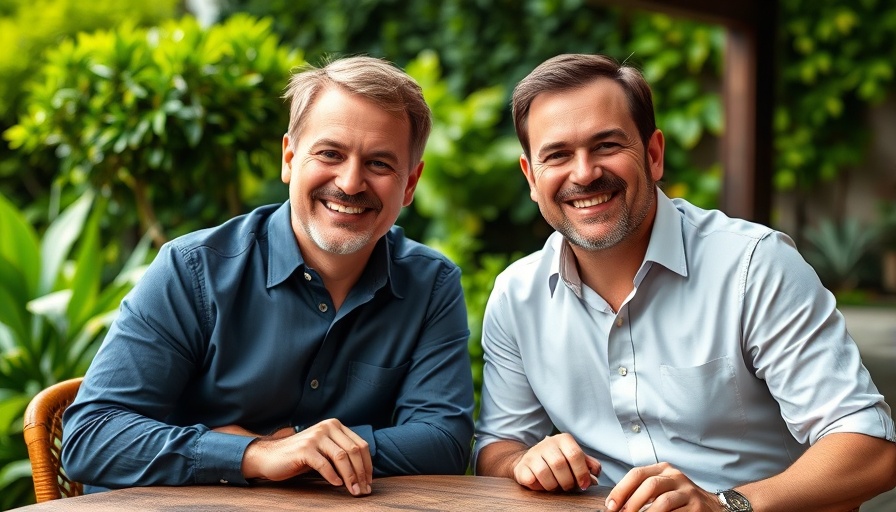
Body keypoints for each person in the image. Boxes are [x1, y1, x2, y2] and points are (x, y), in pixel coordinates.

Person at [474, 53, 896, 512]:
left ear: (653, 155)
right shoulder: (517, 296)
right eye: (557, 155)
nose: (584, 173)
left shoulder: (754, 266)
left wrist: (725, 505)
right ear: (531, 177)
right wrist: (527, 459)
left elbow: (871, 450)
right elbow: (497, 445)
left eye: (607, 145)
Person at [62, 56, 475, 497]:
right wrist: (255, 456)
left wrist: (299, 453)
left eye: (379, 164)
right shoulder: (191, 269)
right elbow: (93, 436)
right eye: (330, 153)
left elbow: (444, 441)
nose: (351, 182)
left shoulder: (430, 284)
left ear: (410, 184)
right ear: (289, 158)